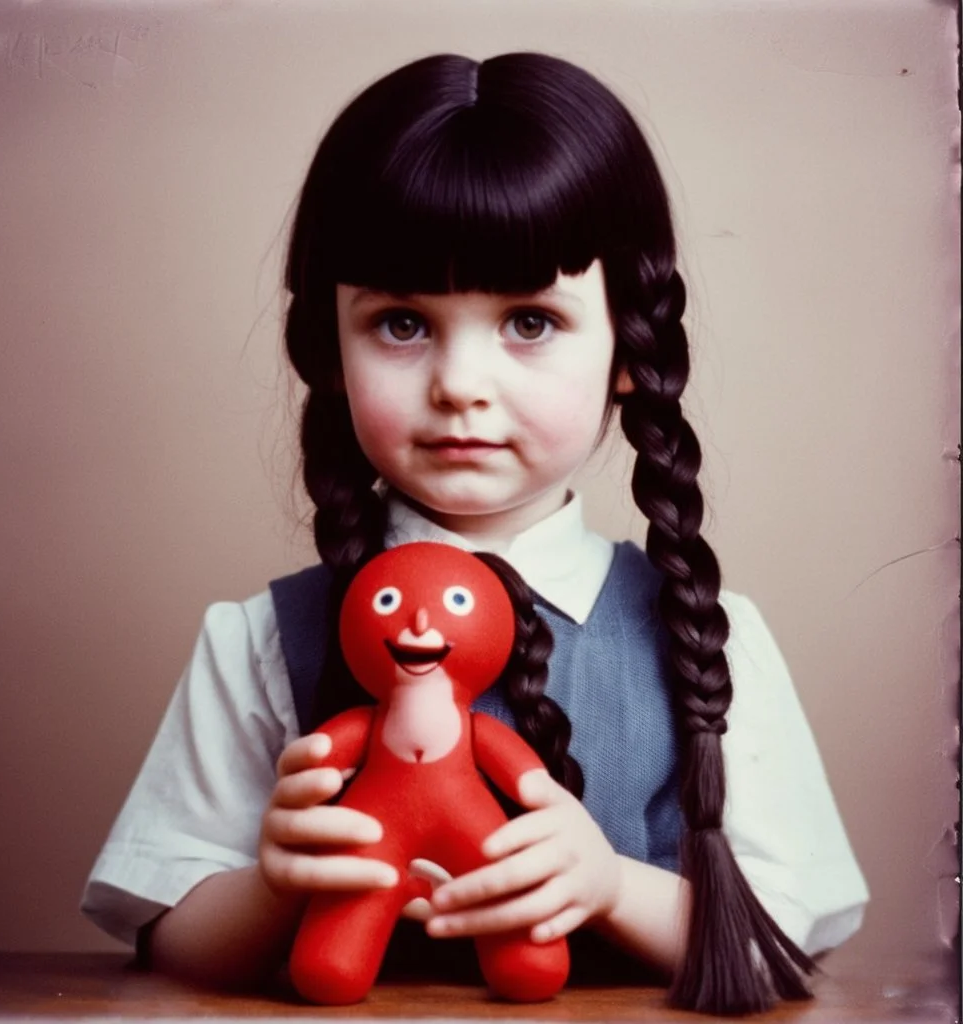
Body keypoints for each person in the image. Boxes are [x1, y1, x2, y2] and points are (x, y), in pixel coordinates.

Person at [80, 52, 869, 1015]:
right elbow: (164, 931)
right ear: (327, 345)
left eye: (530, 322)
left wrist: (612, 888)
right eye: (401, 323)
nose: (460, 384)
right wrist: (276, 886)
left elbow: (785, 938)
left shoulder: (711, 640)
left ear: (631, 344)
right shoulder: (260, 641)